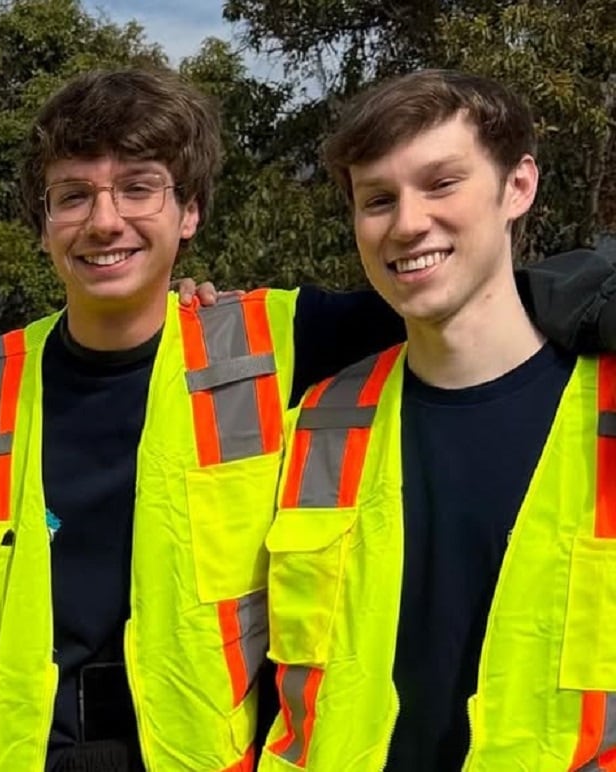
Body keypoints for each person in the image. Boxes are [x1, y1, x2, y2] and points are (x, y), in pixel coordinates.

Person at [0, 65, 616, 772]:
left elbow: (455, 287)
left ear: (189, 213)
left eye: (139, 187)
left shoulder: (281, 344)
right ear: (43, 225)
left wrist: (591, 298)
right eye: (73, 197)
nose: (104, 220)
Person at [260, 69, 616, 771]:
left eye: (441, 183)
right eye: (378, 199)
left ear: (518, 186)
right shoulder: (314, 426)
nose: (408, 222)